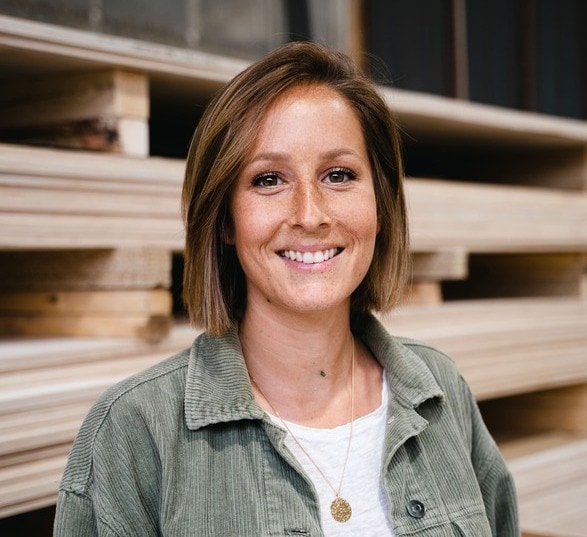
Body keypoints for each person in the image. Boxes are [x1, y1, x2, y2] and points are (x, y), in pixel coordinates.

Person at [54, 41, 519, 536]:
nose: (309, 215)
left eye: (338, 175)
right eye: (269, 180)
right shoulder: (133, 432)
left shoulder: (441, 390)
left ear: (380, 203)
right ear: (225, 218)